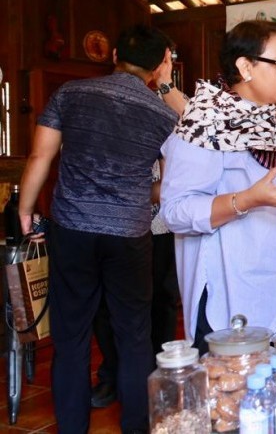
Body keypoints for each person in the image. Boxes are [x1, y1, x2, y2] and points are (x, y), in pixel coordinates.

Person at [17, 25, 179, 433]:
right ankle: (136, 428)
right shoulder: (164, 115)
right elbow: (169, 185)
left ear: (113, 57)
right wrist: (139, 190)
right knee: (134, 337)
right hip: (130, 234)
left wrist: (25, 210)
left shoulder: (70, 94)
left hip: (72, 229)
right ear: (160, 66)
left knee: (71, 338)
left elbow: (40, 156)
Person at [160, 19, 276, 353]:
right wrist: (248, 199)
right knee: (230, 399)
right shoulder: (203, 125)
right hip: (229, 296)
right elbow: (174, 212)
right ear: (245, 67)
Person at [90, 61, 187, 409]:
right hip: (111, 224)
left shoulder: (168, 109)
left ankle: (159, 377)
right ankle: (113, 374)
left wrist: (128, 188)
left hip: (155, 225)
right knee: (106, 305)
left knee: (158, 303)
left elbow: (169, 184)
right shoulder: (102, 108)